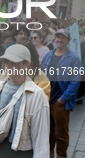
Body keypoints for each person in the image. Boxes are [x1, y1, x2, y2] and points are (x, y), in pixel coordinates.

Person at [0, 44, 50, 158]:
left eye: (14, 62)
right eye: (6, 61)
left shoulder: (37, 95)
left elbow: (41, 139)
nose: (8, 66)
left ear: (26, 64)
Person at [41, 29, 81, 158]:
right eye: (58, 37)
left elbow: (75, 82)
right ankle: (50, 152)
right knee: (48, 130)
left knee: (61, 133)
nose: (60, 40)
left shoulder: (73, 59)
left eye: (63, 38)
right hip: (47, 99)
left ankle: (61, 155)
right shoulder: (49, 55)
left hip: (60, 102)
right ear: (55, 39)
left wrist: (62, 100)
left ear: (68, 41)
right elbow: (42, 75)